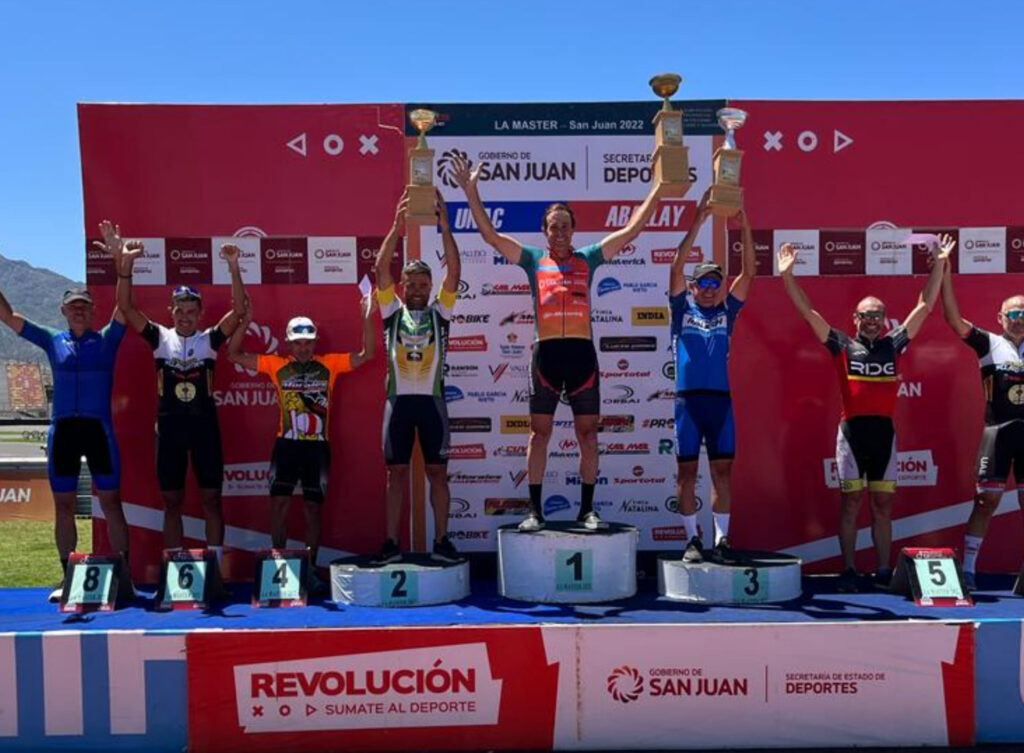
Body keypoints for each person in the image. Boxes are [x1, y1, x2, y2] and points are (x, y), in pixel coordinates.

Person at [452, 153, 667, 531]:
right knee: (539, 434)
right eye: (554, 227)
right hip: (546, 357)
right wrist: (471, 191)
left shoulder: (589, 258)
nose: (561, 232)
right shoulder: (533, 260)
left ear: (574, 230)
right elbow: (491, 237)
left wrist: (659, 188)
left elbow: (631, 231)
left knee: (588, 434)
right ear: (545, 231)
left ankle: (587, 510)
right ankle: (534, 511)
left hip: (582, 356)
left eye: (566, 226)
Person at [778, 235, 953, 592]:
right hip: (852, 434)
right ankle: (848, 570)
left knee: (883, 505)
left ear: (884, 319)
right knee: (850, 504)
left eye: (877, 315)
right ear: (855, 318)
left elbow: (924, 307)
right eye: (866, 315)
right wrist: (787, 276)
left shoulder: (893, 344)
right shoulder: (842, 345)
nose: (872, 320)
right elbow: (809, 314)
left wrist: (939, 264)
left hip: (884, 434)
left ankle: (884, 570)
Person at [97, 221, 246, 576]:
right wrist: (125, 268)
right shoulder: (160, 338)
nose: (185, 315)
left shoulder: (209, 340)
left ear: (200, 313)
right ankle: (174, 573)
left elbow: (239, 311)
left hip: (205, 429)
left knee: (212, 500)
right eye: (179, 310)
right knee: (172, 502)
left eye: (191, 310)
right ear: (171, 311)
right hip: (170, 431)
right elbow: (125, 307)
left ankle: (214, 571)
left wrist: (234, 267)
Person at [0, 229, 134, 601]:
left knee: (111, 502)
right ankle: (68, 578)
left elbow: (124, 307)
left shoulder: (106, 340)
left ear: (92, 311)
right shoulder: (51, 339)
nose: (78, 310)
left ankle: (124, 578)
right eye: (72, 305)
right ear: (62, 311)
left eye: (84, 306)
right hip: (62, 432)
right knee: (64, 506)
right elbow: (8, 317)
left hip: (98, 430)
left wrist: (123, 268)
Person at [228, 297, 376, 594]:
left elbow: (367, 354)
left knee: (313, 510)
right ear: (289, 343)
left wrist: (367, 316)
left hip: (317, 448)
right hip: (286, 445)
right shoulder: (276, 365)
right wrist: (245, 322)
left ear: (315, 342)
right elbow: (233, 354)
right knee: (279, 505)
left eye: (308, 343)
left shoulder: (329, 364)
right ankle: (279, 566)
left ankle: (308, 570)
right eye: (298, 343)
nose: (303, 348)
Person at [373, 190, 461, 563]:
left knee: (438, 474)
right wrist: (396, 228)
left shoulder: (441, 312)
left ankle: (442, 541)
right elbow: (380, 270)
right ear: (403, 287)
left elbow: (454, 272)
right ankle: (391, 542)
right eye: (412, 284)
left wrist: (446, 227)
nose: (419, 290)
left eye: (424, 284)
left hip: (431, 403)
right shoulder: (391, 312)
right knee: (395, 475)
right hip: (398, 403)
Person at [670, 192, 755, 563]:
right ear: (692, 287)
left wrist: (745, 224)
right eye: (702, 283)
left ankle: (722, 540)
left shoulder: (727, 311)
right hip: (688, 403)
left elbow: (749, 273)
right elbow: (676, 266)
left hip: (720, 403)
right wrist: (699, 220)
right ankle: (692, 540)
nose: (708, 289)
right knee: (686, 474)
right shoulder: (680, 308)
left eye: (713, 283)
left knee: (723, 472)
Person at [940, 266, 1024, 590]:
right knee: (986, 501)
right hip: (997, 433)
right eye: (1013, 313)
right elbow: (953, 319)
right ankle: (969, 570)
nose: (1019, 319)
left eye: (1023, 314)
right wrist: (945, 275)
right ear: (1001, 318)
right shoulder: (989, 343)